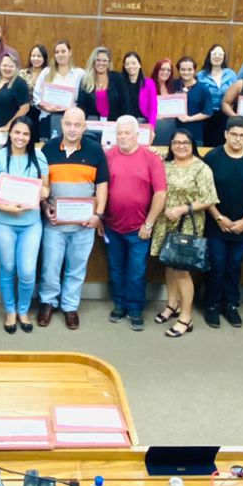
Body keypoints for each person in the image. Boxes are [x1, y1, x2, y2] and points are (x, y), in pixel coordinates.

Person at [38, 107, 108, 330]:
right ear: (61, 124)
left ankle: (70, 306)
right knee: (50, 265)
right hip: (55, 222)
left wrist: (99, 215)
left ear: (85, 126)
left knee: (77, 267)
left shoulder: (95, 150)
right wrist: (44, 206)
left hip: (84, 223)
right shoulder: (48, 149)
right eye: (68, 124)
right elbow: (41, 185)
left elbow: (102, 186)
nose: (72, 129)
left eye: (77, 125)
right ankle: (48, 302)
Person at [0, 116, 48, 333]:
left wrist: (41, 194)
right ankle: (10, 310)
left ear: (31, 137)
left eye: (25, 134)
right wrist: (4, 207)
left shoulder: (39, 156)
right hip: (2, 221)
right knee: (8, 267)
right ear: (10, 133)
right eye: (17, 132)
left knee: (28, 271)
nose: (20, 137)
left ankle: (23, 309)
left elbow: (46, 189)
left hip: (31, 222)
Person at [151, 129, 218, 339]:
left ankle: (186, 317)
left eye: (186, 142)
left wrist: (182, 209)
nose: (181, 146)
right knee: (169, 263)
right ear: (170, 145)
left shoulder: (201, 168)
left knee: (182, 270)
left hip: (187, 223)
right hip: (165, 222)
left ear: (193, 145)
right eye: (176, 142)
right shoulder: (165, 165)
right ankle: (172, 304)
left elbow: (209, 199)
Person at [103, 115, 166, 331]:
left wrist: (148, 224)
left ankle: (135, 309)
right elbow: (99, 190)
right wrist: (100, 216)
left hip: (140, 229)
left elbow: (160, 193)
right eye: (119, 133)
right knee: (116, 268)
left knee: (137, 271)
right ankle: (120, 305)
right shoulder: (108, 156)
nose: (122, 137)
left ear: (137, 134)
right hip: (112, 226)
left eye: (127, 133)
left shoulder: (151, 157)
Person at [202, 115, 243, 328]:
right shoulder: (212, 157)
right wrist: (219, 217)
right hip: (216, 223)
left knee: (234, 266)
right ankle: (211, 304)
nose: (238, 140)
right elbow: (205, 192)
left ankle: (231, 304)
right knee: (217, 265)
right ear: (225, 135)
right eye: (234, 135)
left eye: (242, 136)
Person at [33, 39, 83, 140]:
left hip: (71, 121)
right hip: (47, 118)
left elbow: (83, 99)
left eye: (63, 51)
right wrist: (46, 107)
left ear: (70, 52)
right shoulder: (46, 72)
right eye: (57, 52)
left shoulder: (79, 74)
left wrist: (71, 108)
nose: (60, 55)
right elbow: (36, 96)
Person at [163, 56, 215, 146]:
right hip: (172, 133)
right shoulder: (172, 85)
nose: (186, 72)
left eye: (189, 69)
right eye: (183, 69)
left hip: (194, 135)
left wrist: (189, 119)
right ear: (178, 70)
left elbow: (207, 112)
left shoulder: (203, 89)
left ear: (194, 70)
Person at [198, 44, 238, 148]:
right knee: (206, 145)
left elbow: (237, 94)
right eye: (214, 54)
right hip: (206, 115)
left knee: (222, 144)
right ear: (209, 56)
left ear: (224, 57)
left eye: (220, 54)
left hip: (225, 115)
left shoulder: (231, 74)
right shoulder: (201, 75)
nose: (217, 56)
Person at [78, 46, 128, 121]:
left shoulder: (118, 79)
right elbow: (81, 107)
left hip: (114, 125)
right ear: (93, 62)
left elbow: (126, 104)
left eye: (105, 60)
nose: (101, 63)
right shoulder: (85, 81)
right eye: (98, 60)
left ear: (109, 63)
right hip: (92, 125)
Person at [0, 53, 32, 133]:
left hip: (8, 130)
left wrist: (8, 126)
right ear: (0, 67)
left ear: (17, 68)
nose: (7, 68)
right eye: (4, 65)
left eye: (11, 66)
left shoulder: (20, 83)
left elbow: (25, 108)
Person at [118, 52, 154, 127]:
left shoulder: (148, 83)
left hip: (142, 122)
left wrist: (151, 127)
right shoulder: (120, 83)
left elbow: (152, 107)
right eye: (127, 64)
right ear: (124, 66)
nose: (130, 66)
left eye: (134, 63)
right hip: (123, 123)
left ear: (140, 65)